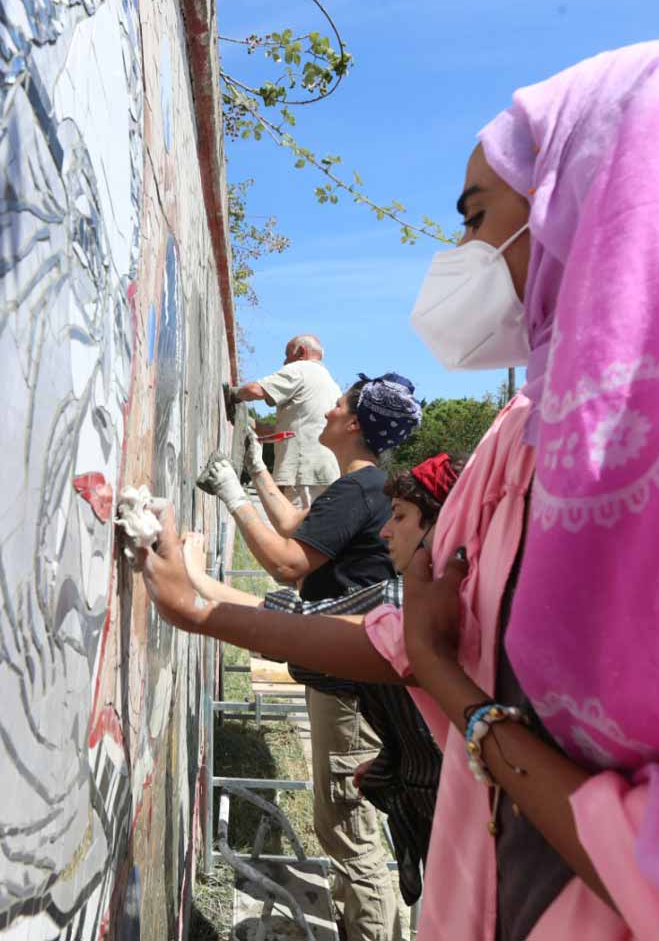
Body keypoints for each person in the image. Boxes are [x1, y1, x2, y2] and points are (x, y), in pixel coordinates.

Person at [147, 25, 659, 939]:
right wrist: (205, 609)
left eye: (476, 216)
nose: (462, 251)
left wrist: (466, 710)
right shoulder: (520, 444)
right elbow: (407, 634)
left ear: (614, 204)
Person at [198, 372, 422, 940]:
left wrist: (231, 497)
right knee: (345, 819)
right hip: (352, 675)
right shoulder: (365, 488)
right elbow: (300, 529)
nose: (326, 413)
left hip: (350, 685)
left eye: (338, 406)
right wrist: (255, 475)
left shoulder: (360, 488)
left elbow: (288, 564)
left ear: (354, 424)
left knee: (347, 826)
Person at [185, 455, 463, 909]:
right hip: (441, 829)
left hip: (459, 830)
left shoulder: (404, 610)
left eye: (400, 517)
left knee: (353, 844)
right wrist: (389, 765)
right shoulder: (414, 604)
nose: (384, 531)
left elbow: (286, 590)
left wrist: (191, 590)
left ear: (441, 526)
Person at [225, 334, 340, 508]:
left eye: (287, 355)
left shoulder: (301, 369)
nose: (285, 362)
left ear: (301, 352)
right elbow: (283, 432)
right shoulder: (331, 384)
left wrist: (233, 394)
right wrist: (245, 421)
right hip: (326, 475)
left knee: (294, 531)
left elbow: (255, 390)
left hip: (303, 475)